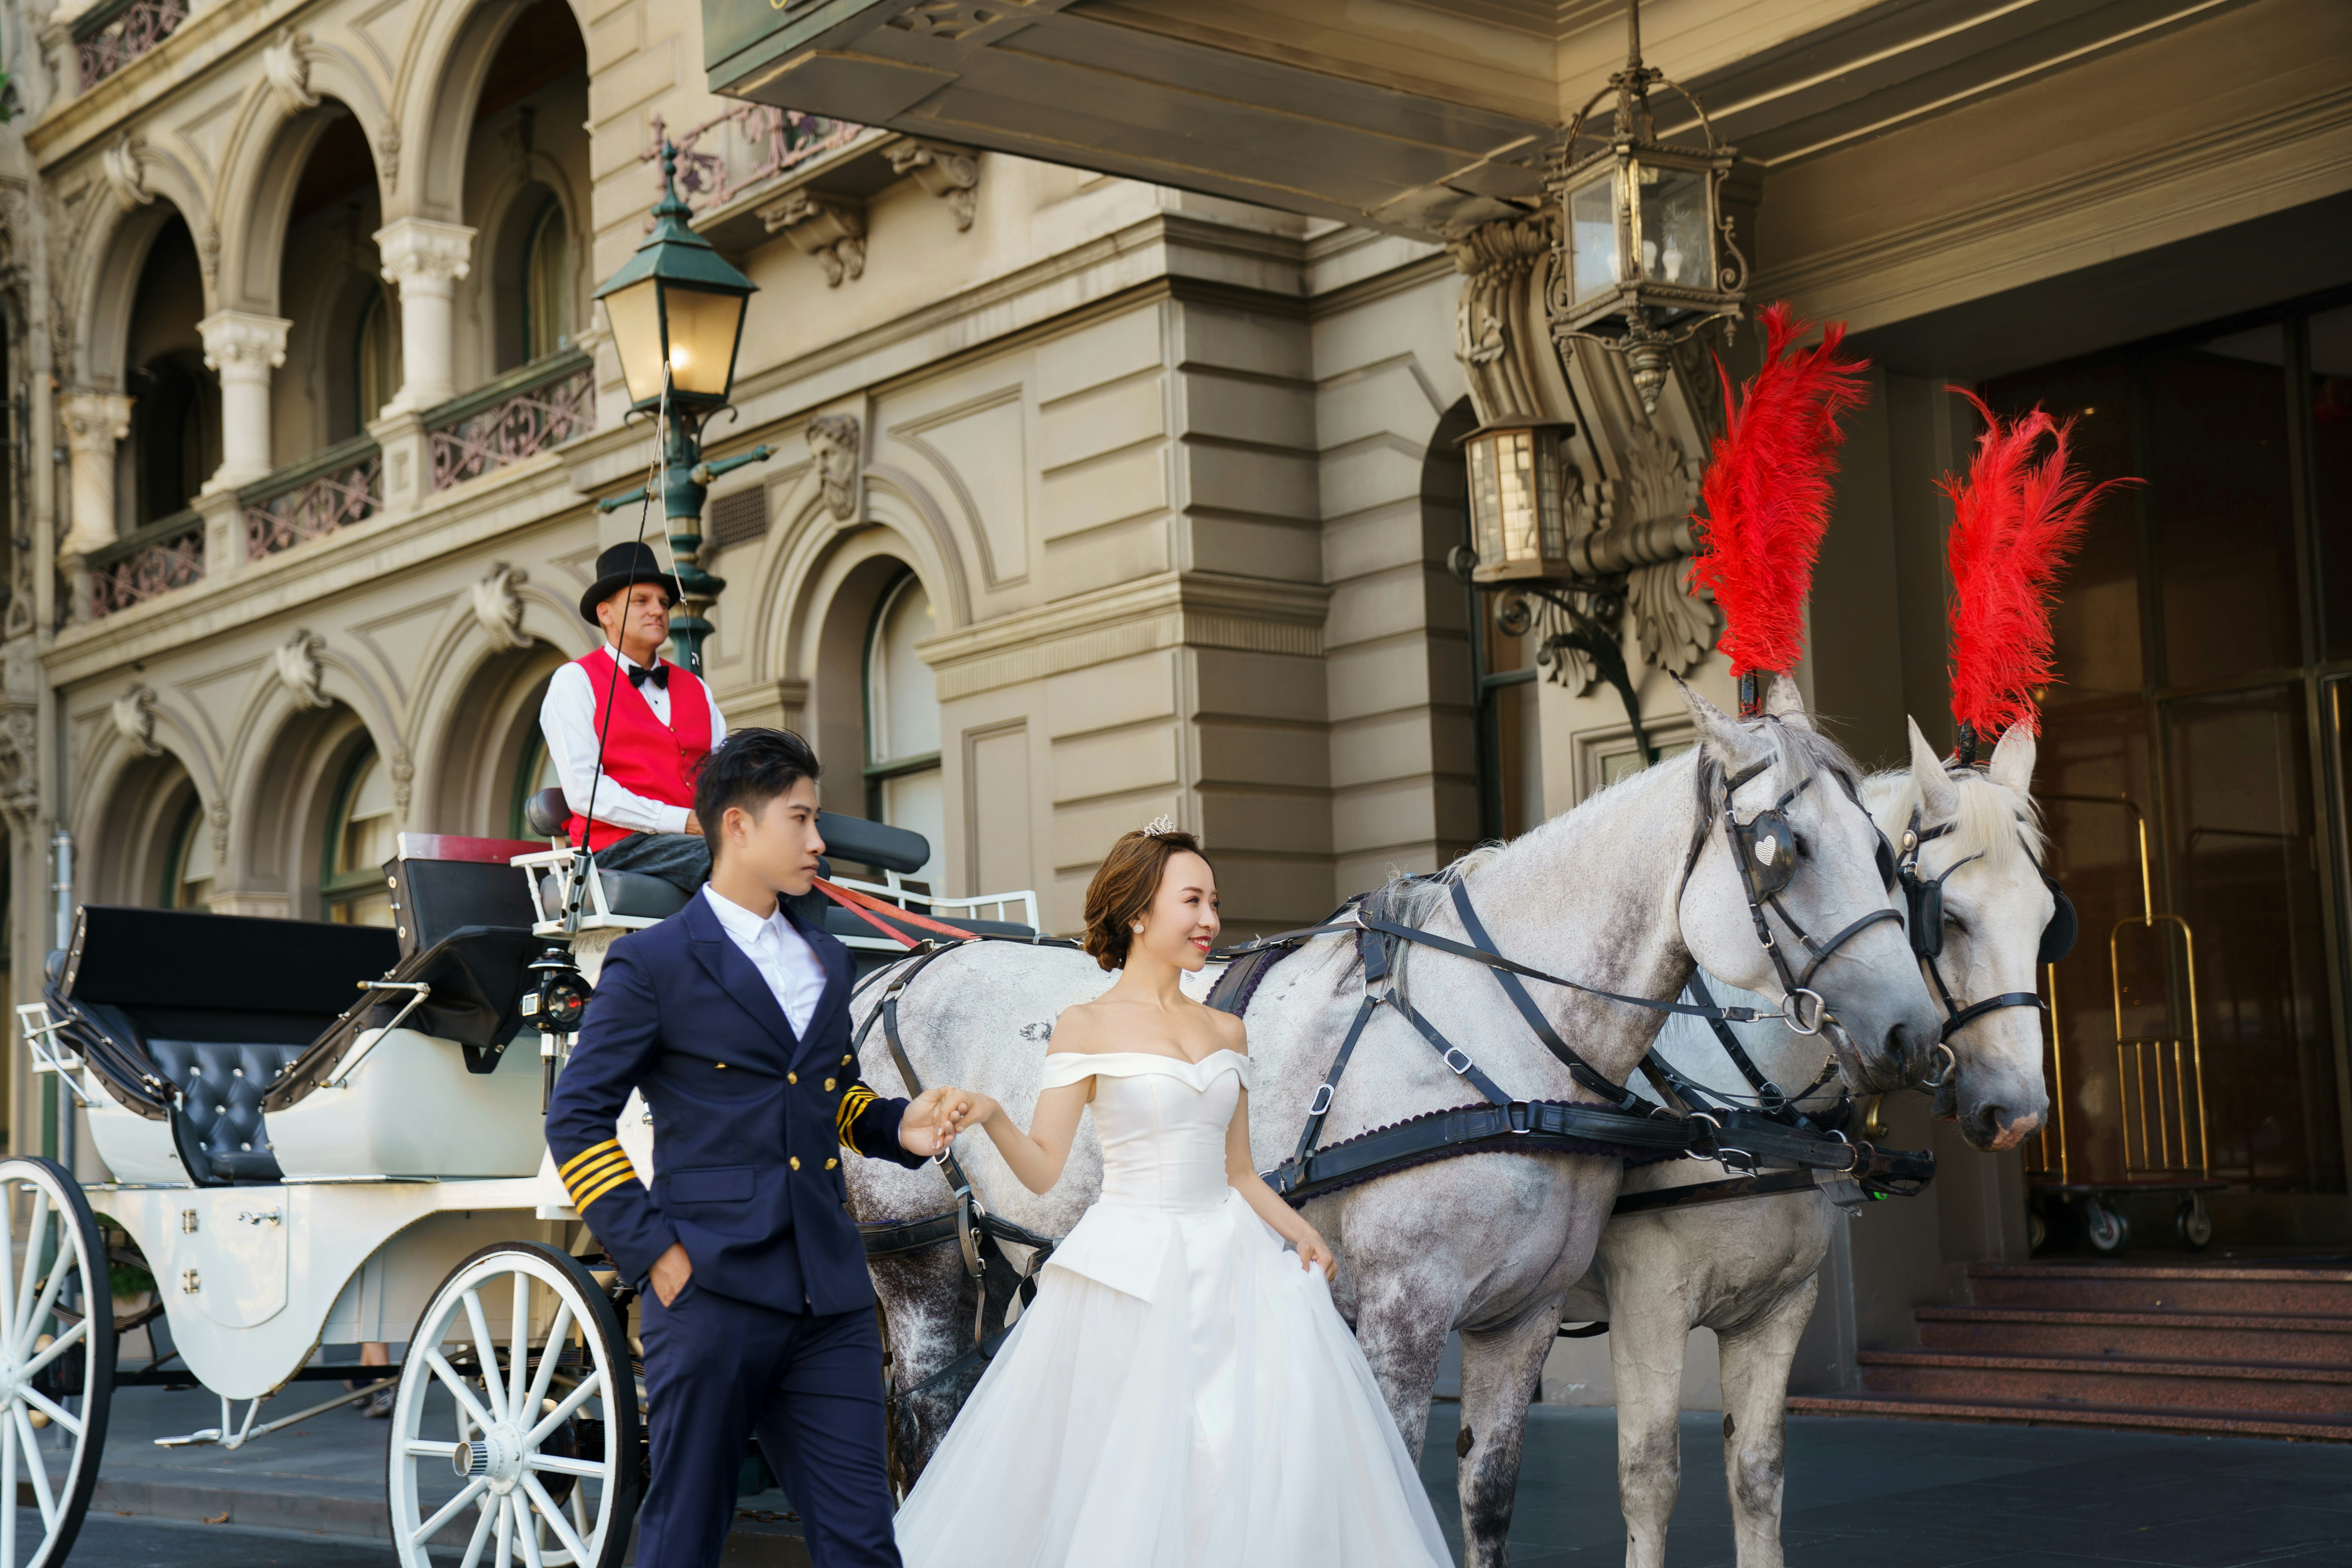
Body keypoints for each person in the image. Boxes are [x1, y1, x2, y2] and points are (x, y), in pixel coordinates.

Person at [893, 823, 1452, 1568]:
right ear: (1138, 914)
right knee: (1135, 1476)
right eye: (1192, 901)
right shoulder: (1084, 1026)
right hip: (1130, 1271)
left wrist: (1301, 1234)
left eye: (1214, 902)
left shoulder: (1227, 1027)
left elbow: (1240, 1171)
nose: (1210, 921)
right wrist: (992, 1113)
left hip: (1237, 1267)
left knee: (1245, 1465)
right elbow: (1042, 1170)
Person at [544, 728, 973, 1568]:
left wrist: (899, 1126)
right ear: (737, 825)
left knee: (862, 1539)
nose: (819, 841)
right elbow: (577, 1118)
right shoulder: (651, 962)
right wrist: (657, 1256)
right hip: (710, 1290)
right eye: (802, 818)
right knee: (683, 1535)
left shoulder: (826, 955)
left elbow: (829, 1096)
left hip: (831, 1299)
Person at [538, 540, 724, 894]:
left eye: (664, 603)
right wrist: (681, 821)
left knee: (802, 865)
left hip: (692, 842)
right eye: (642, 601)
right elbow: (585, 792)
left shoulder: (697, 689)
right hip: (617, 848)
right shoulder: (575, 681)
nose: (657, 610)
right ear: (606, 613)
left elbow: (724, 776)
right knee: (734, 862)